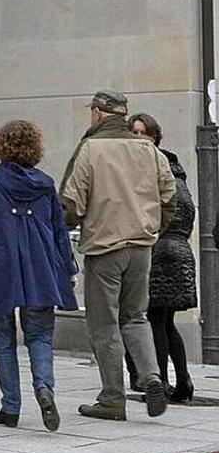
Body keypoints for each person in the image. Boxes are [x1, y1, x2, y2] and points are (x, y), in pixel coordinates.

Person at [61, 90, 176, 421]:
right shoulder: (149, 150)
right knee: (136, 316)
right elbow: (169, 197)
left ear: (98, 113)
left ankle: (112, 397)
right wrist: (152, 227)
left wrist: (72, 225)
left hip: (104, 246)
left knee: (104, 324)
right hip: (141, 246)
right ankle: (151, 376)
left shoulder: (90, 148)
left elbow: (71, 201)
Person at [0, 120, 78, 431]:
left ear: (0, 146)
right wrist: (69, 269)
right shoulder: (46, 184)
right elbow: (60, 230)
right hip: (41, 267)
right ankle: (44, 387)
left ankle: (10, 407)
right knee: (40, 335)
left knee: (2, 339)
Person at [124, 113, 196, 403]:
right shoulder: (178, 174)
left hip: (161, 249)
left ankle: (162, 382)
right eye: (134, 132)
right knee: (166, 321)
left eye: (143, 132)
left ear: (154, 137)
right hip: (180, 250)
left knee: (155, 318)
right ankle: (183, 381)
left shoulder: (153, 171)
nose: (139, 138)